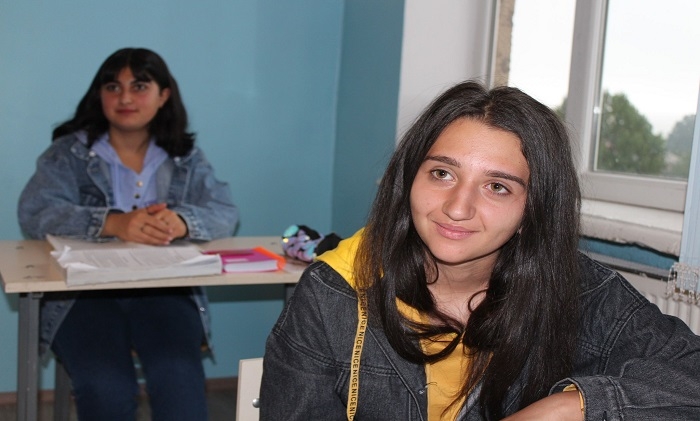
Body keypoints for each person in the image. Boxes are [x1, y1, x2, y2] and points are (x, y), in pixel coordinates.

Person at [260, 81, 700, 420]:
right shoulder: (332, 295)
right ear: (409, 179)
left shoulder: (579, 291)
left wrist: (571, 407)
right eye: (442, 174)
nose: (457, 208)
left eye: (497, 187)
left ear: (532, 211)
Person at [17, 47, 238, 421]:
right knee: (106, 385)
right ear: (99, 94)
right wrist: (112, 223)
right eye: (112, 87)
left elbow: (225, 211)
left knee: (178, 378)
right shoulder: (68, 152)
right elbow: (35, 211)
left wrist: (182, 222)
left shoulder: (185, 156)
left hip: (164, 289)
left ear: (163, 95)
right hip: (82, 295)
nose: (124, 98)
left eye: (139, 86)